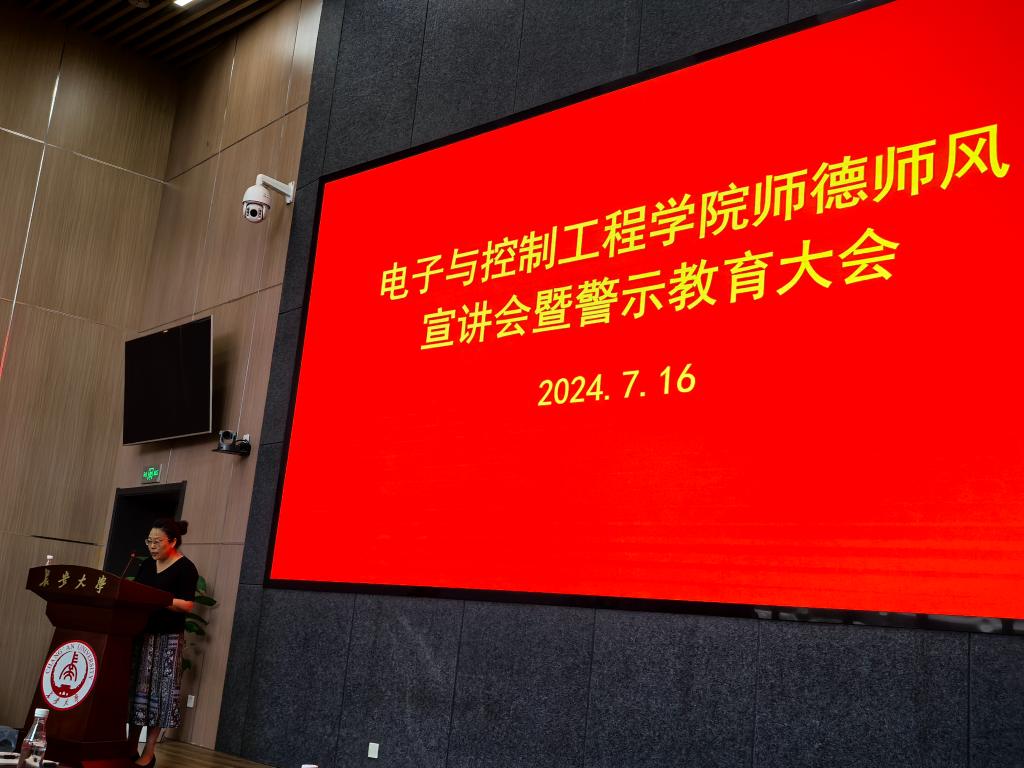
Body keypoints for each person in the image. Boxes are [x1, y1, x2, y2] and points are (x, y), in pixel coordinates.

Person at [127, 519, 199, 768]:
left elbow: (187, 605)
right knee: (138, 692)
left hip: (168, 640)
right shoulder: (147, 564)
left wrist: (159, 599)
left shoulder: (186, 568)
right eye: (149, 541)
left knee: (160, 694)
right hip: (142, 635)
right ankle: (130, 747)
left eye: (157, 542)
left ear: (173, 542)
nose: (152, 546)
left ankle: (149, 752)